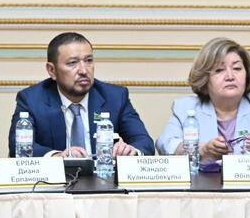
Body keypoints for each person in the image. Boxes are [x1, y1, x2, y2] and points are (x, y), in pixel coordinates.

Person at [156, 37, 250, 168]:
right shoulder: (185, 107)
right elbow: (166, 144)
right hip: (202, 185)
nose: (230, 76)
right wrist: (202, 151)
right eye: (219, 70)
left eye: (237, 68)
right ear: (205, 79)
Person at [8, 32, 154, 157]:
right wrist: (56, 156)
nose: (84, 70)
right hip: (55, 179)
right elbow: (17, 145)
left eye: (89, 61)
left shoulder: (115, 97)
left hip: (103, 177)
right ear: (52, 70)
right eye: (72, 63)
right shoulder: (31, 99)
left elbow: (144, 142)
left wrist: (132, 151)